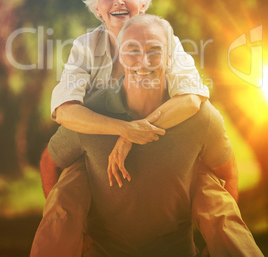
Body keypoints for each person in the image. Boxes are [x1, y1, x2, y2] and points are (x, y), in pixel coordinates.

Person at [33, 14, 263, 256]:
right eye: (132, 50)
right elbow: (50, 163)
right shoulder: (90, 114)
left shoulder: (201, 117)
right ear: (120, 56)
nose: (144, 62)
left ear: (170, 57)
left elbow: (226, 175)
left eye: (154, 50)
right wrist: (73, 234)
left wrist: (215, 245)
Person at [30, 0, 209, 257]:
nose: (119, 1)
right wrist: (122, 129)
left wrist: (131, 137)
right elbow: (64, 110)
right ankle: (71, 236)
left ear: (142, 3)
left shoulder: (168, 41)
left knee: (207, 177)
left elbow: (191, 98)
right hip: (95, 140)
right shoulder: (85, 46)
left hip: (161, 137)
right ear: (97, 9)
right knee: (62, 177)